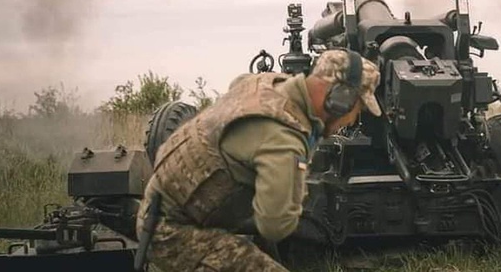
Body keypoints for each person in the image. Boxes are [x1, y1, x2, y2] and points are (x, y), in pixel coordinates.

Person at [136, 49, 382, 272]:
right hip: (170, 232)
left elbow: (237, 83)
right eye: (357, 108)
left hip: (162, 202)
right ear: (340, 98)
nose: (353, 119)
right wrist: (294, 187)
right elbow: (275, 225)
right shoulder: (284, 140)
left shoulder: (265, 83)